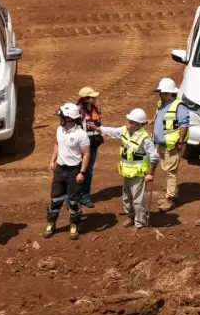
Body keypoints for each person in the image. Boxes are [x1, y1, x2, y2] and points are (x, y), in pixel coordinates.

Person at [95, 108, 160, 228]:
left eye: (130, 122)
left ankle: (140, 222)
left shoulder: (145, 138)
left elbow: (154, 157)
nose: (127, 123)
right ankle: (130, 216)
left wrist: (150, 174)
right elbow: (112, 131)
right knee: (126, 196)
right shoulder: (124, 130)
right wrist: (97, 128)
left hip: (138, 174)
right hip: (126, 172)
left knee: (137, 200)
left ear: (137, 125)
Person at [44, 103, 90, 240]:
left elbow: (86, 154)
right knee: (55, 199)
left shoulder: (81, 134)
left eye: (62, 117)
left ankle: (74, 224)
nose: (60, 119)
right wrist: (52, 160)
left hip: (74, 171)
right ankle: (51, 223)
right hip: (60, 169)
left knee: (74, 200)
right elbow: (57, 144)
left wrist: (82, 172)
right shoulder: (59, 129)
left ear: (70, 118)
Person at [151, 77, 189, 212]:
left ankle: (170, 199)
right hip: (161, 144)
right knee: (167, 170)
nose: (159, 95)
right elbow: (161, 119)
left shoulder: (179, 106)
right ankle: (171, 194)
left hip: (173, 145)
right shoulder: (161, 104)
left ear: (168, 93)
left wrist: (180, 141)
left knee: (170, 172)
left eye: (161, 92)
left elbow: (184, 124)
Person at [77, 87, 103, 208]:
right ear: (86, 99)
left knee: (88, 171)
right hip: (80, 147)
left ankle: (85, 196)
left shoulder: (95, 110)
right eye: (93, 97)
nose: (95, 98)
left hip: (92, 146)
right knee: (77, 170)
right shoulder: (77, 111)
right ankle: (73, 196)